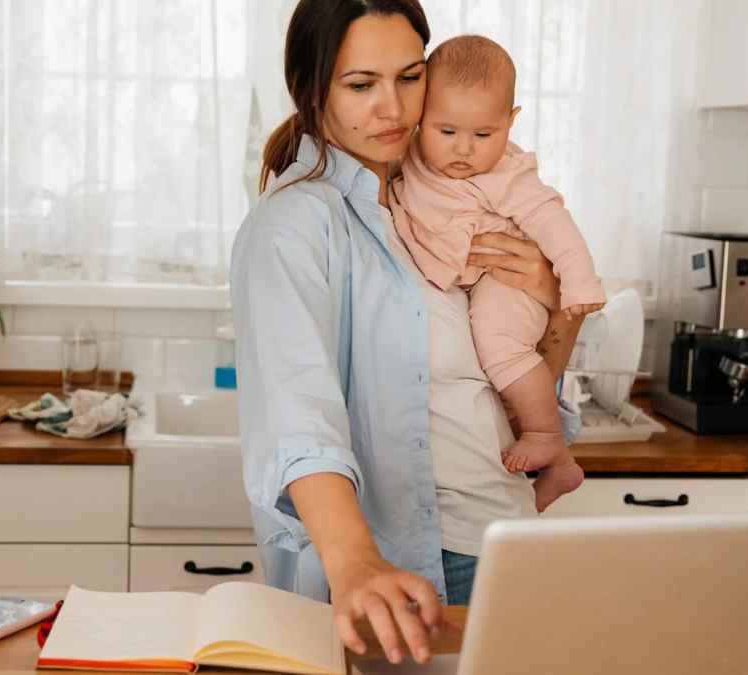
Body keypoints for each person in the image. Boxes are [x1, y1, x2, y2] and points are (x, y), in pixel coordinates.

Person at [230, 0, 588, 666]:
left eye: (410, 76)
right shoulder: (295, 227)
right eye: (361, 84)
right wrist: (357, 563)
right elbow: (298, 415)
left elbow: (510, 381)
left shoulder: (447, 197)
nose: (392, 108)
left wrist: (555, 303)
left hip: (500, 537)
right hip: (392, 567)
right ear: (313, 90)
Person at [389, 34, 603, 496]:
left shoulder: (504, 172)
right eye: (446, 132)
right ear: (420, 119)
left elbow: (553, 222)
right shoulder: (410, 160)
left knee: (499, 343)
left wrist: (577, 281)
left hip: (505, 280)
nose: (463, 149)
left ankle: (547, 437)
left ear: (510, 123)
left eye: (483, 135)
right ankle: (560, 462)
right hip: (474, 282)